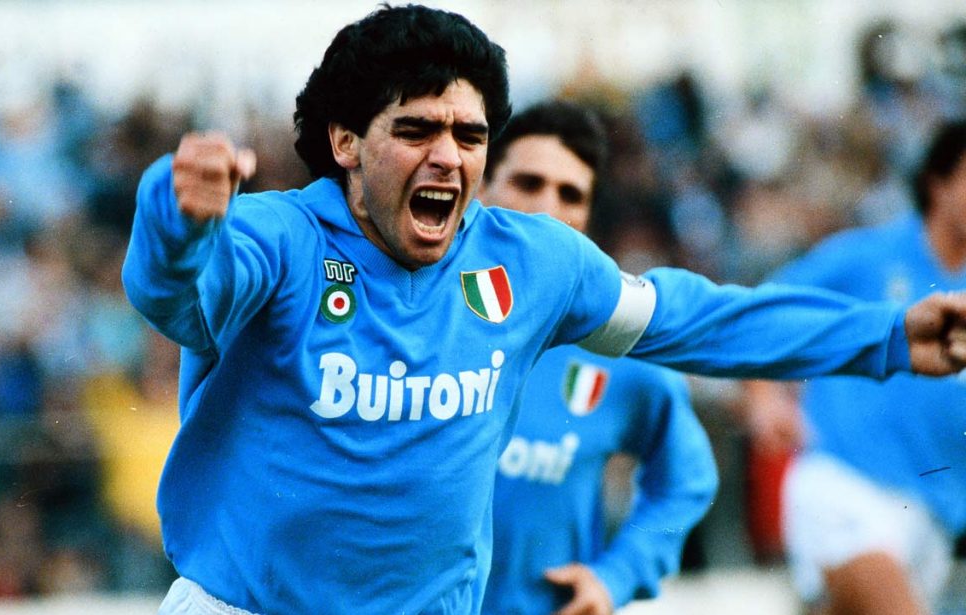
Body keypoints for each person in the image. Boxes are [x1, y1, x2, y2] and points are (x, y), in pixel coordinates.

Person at [121, 5, 966, 614]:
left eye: (470, 135)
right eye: (416, 130)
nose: (448, 156)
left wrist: (887, 334)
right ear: (346, 140)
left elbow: (694, 319)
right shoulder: (277, 239)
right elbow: (176, 297)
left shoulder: (532, 263)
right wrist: (178, 218)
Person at [476, 101, 716, 615]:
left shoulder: (613, 347)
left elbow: (687, 482)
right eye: (528, 183)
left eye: (571, 194)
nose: (548, 208)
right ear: (479, 188)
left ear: (586, 217)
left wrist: (620, 574)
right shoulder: (424, 318)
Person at [744, 120, 966, 615]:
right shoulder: (870, 256)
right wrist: (764, 398)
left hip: (935, 509)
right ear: (939, 183)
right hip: (846, 481)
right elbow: (768, 310)